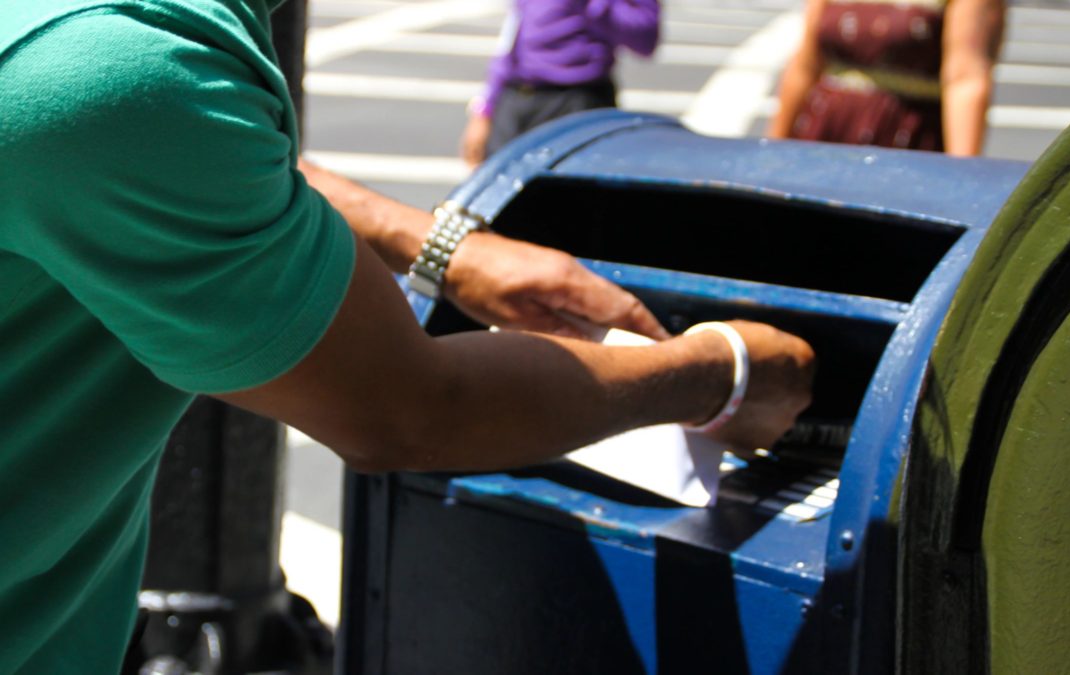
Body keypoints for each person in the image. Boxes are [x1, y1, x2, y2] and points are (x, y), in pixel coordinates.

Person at [0, 0, 814, 672]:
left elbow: (196, 151)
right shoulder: (114, 70)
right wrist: (721, 372)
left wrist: (443, 249)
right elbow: (410, 409)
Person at [768, 0, 1005, 154]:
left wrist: (961, 178)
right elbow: (806, 65)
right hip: (824, 134)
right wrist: (773, 149)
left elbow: (965, 80)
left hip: (908, 140)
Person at [460, 0, 660, 168]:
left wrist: (593, 6)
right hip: (517, 97)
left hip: (578, 101)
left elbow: (646, 38)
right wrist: (484, 110)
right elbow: (512, 33)